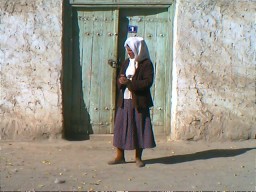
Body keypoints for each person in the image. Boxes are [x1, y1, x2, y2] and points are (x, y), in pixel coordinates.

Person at [108, 36, 156, 167]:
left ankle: (138, 157)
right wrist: (121, 80)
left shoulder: (146, 64)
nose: (129, 53)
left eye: (131, 50)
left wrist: (130, 83)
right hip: (125, 100)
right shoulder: (126, 63)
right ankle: (119, 156)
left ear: (138, 49)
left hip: (139, 102)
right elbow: (120, 77)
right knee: (120, 127)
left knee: (139, 127)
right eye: (128, 50)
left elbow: (147, 82)